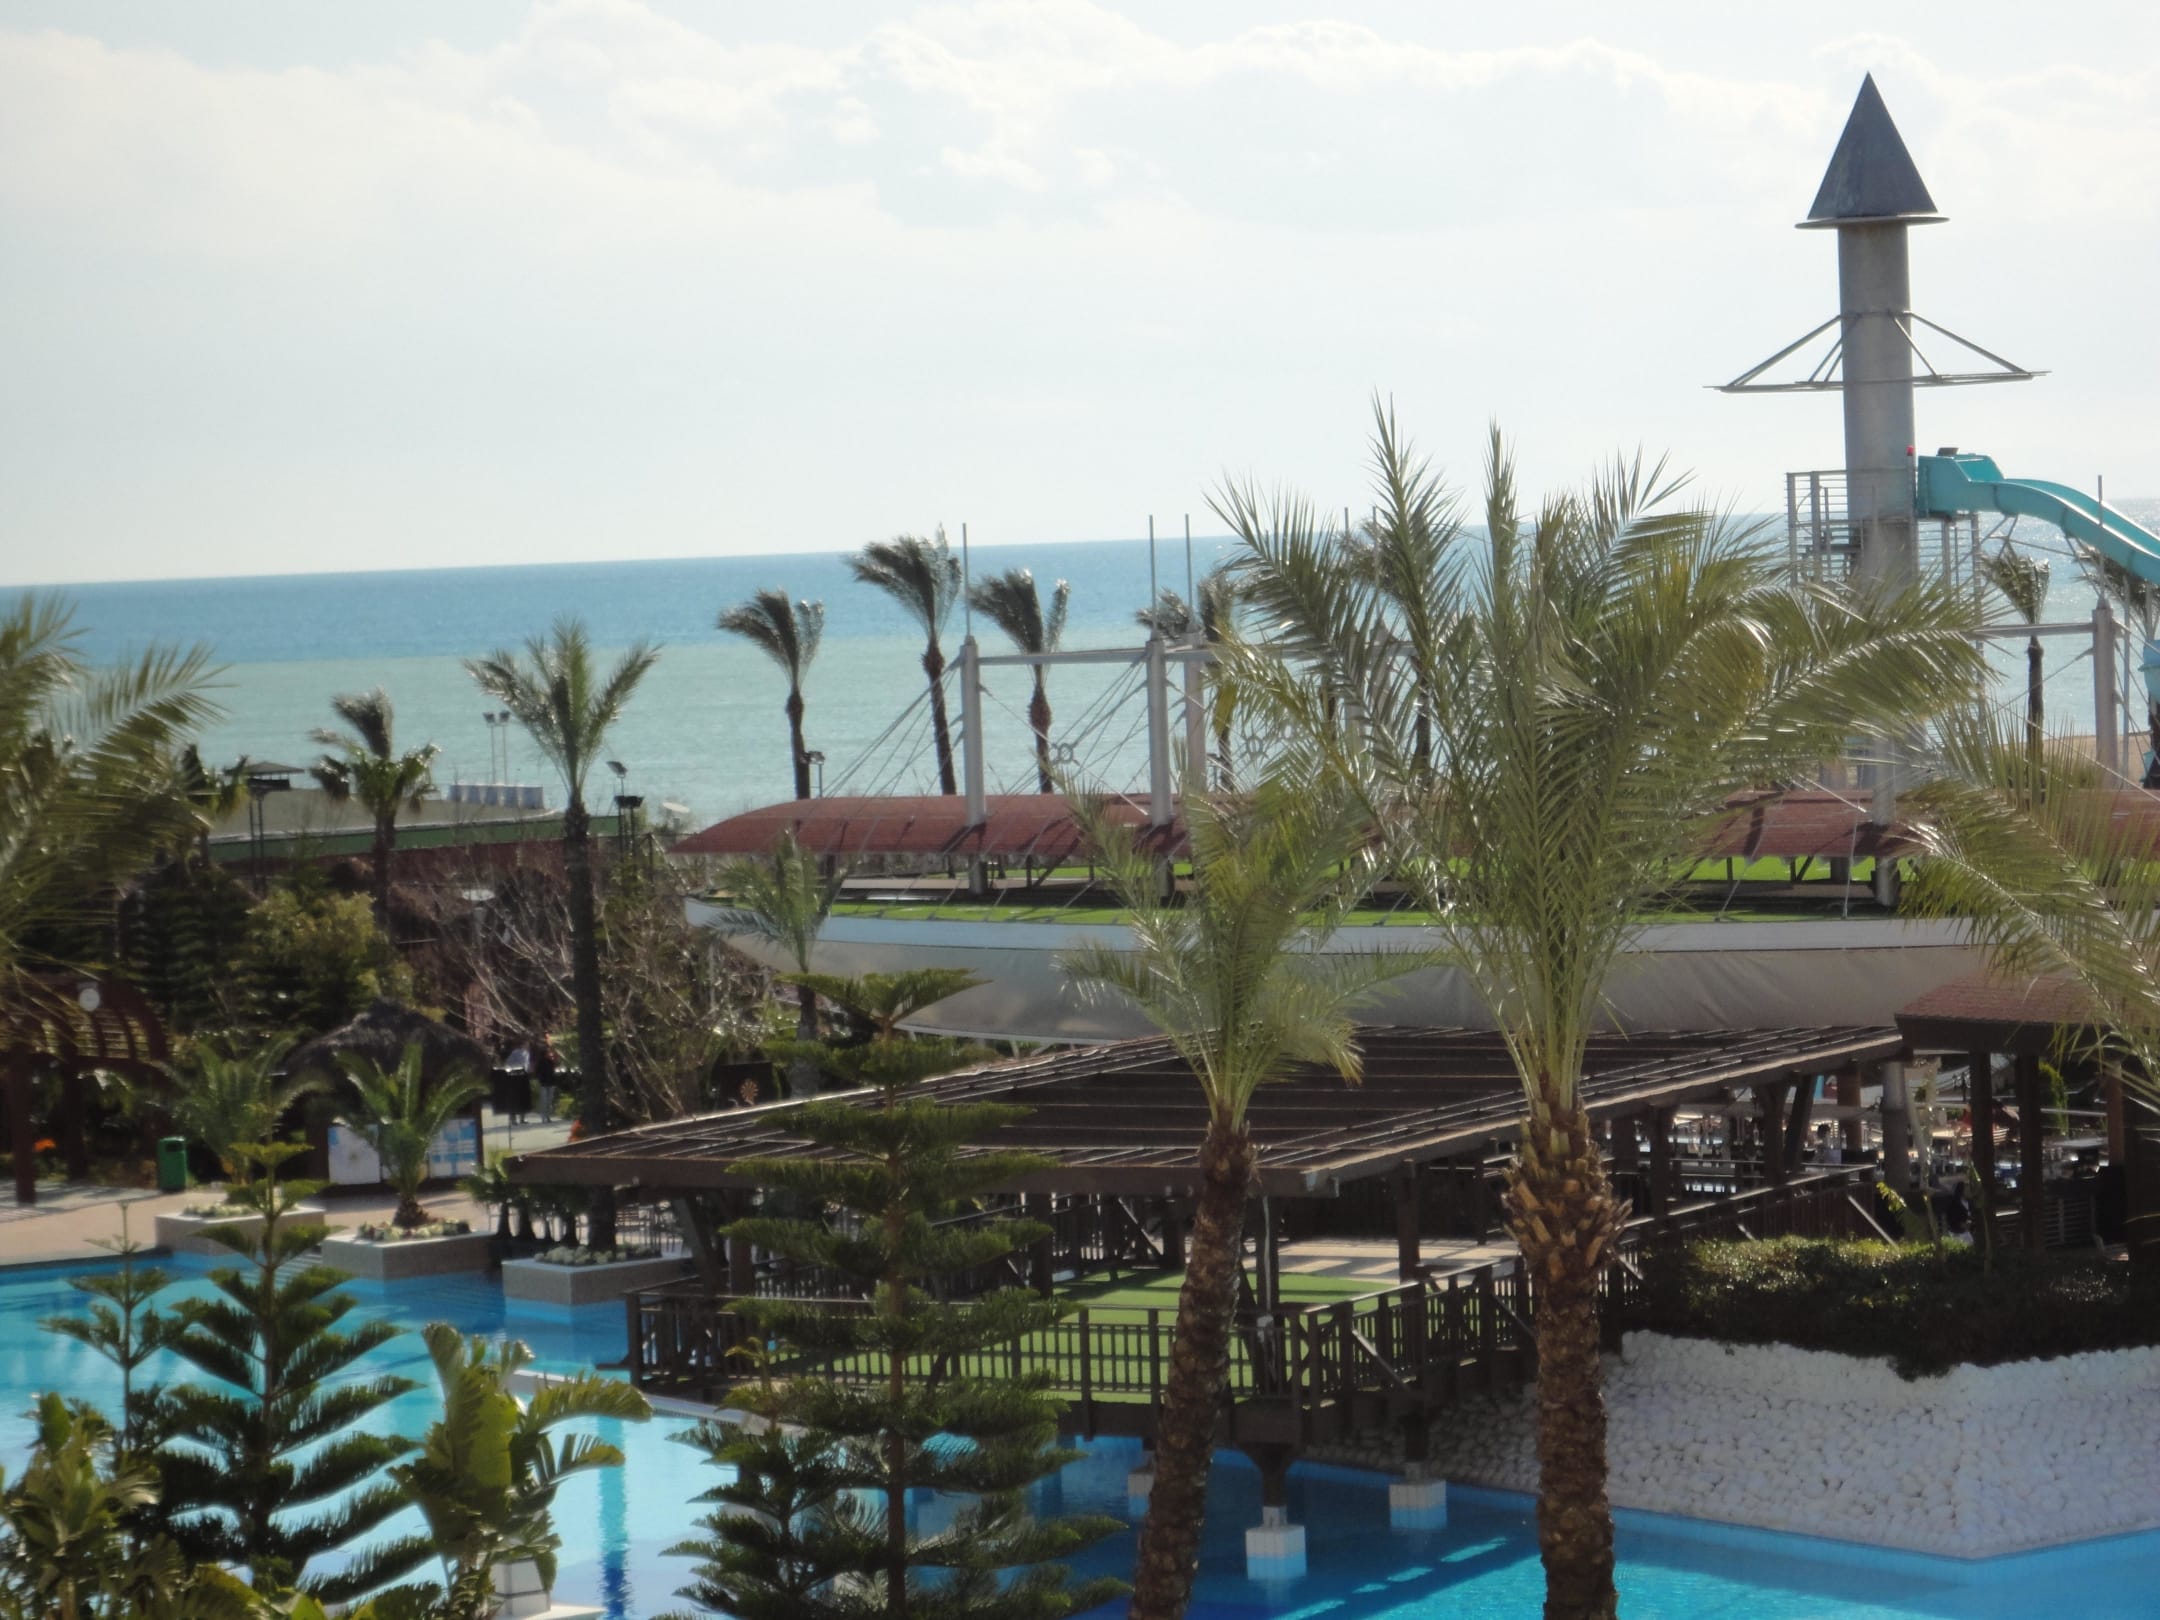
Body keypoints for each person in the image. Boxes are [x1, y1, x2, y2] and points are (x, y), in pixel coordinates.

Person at [533, 1034, 560, 1123]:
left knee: (549, 1101)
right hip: (544, 1082)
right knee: (544, 1100)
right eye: (548, 1053)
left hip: (551, 1082)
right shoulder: (540, 1062)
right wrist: (538, 1079)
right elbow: (537, 1072)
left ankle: (547, 1117)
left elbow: (556, 1064)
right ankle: (544, 1117)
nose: (549, 1054)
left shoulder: (551, 1061)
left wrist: (555, 1055)